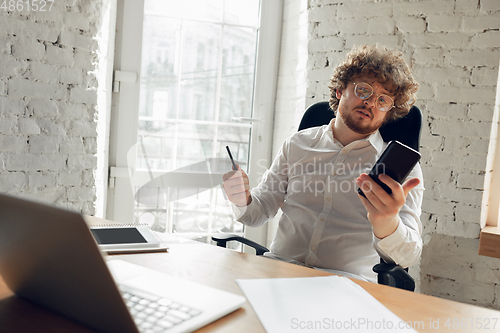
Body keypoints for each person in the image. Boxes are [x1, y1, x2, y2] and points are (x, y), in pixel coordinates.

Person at [222, 44, 423, 283]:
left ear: (388, 112)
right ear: (340, 90)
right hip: (278, 272)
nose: (371, 103)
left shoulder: (403, 172)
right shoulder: (297, 145)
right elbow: (257, 213)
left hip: (344, 285)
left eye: (383, 100)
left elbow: (408, 256)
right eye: (363, 90)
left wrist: (387, 222)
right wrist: (240, 199)